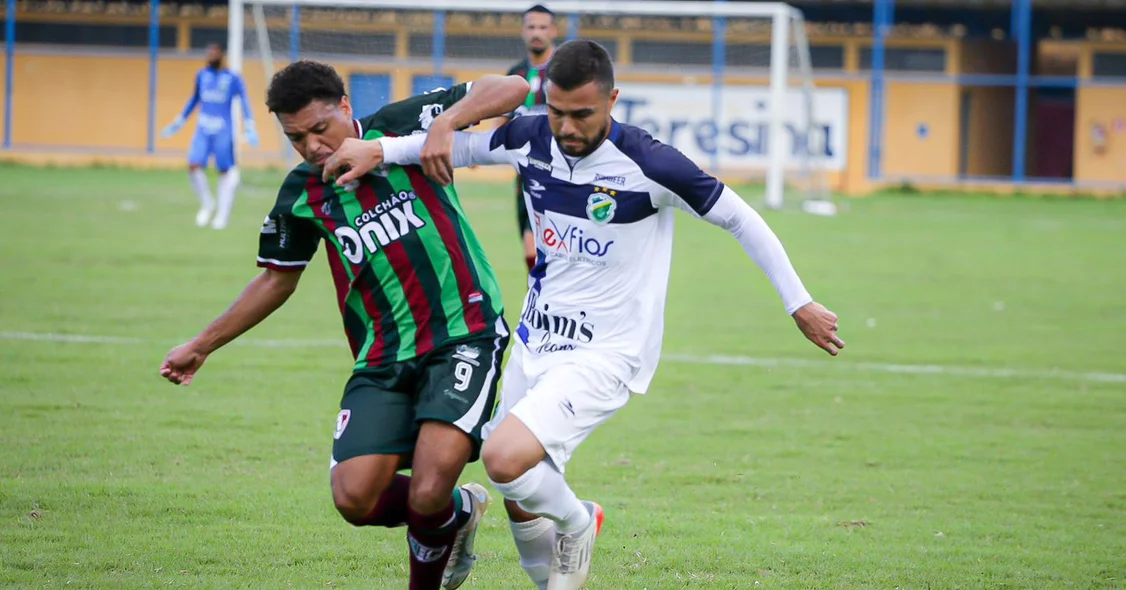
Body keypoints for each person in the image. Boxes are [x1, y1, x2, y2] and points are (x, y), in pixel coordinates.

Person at [323, 40, 845, 590]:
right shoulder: (531, 139)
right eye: (556, 111)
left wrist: (800, 302)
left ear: (613, 100)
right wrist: (379, 152)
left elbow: (741, 219)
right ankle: (550, 577)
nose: (566, 128)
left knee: (503, 459)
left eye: (581, 114)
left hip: (607, 351)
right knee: (518, 489)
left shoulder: (650, 163)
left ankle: (580, 521)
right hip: (536, 340)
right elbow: (466, 150)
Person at [158, 59, 531, 590]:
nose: (311, 146)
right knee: (355, 497)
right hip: (382, 355)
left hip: (463, 332)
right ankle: (460, 512)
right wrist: (202, 345)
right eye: (296, 137)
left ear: (346, 109)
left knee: (426, 488)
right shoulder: (303, 191)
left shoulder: (399, 125)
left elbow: (512, 88)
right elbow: (274, 280)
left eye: (320, 128)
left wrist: (447, 123)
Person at [161, 42, 260, 230]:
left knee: (225, 171)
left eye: (214, 52)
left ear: (222, 55)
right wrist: (179, 121)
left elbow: (244, 101)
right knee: (193, 165)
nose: (211, 55)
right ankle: (207, 203)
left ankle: (222, 215)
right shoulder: (201, 75)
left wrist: (249, 125)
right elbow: (194, 99)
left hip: (223, 130)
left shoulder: (232, 78)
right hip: (203, 130)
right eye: (209, 52)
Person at [504, 4, 558, 271]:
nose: (537, 33)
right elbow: (501, 119)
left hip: (559, 169)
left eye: (543, 27)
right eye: (532, 27)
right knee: (528, 243)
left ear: (554, 31)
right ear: (523, 31)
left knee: (554, 243)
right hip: (525, 170)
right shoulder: (515, 75)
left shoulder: (564, 70)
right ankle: (538, 296)